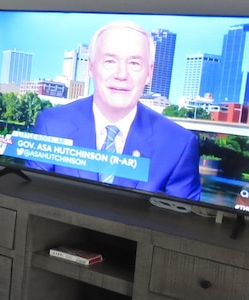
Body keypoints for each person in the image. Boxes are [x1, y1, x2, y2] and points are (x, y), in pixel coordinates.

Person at [26, 19, 201, 200]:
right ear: (91, 68)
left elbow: (182, 222)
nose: (121, 75)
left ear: (149, 73)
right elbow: (32, 201)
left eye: (134, 63)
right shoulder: (51, 126)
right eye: (110, 61)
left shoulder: (178, 145)